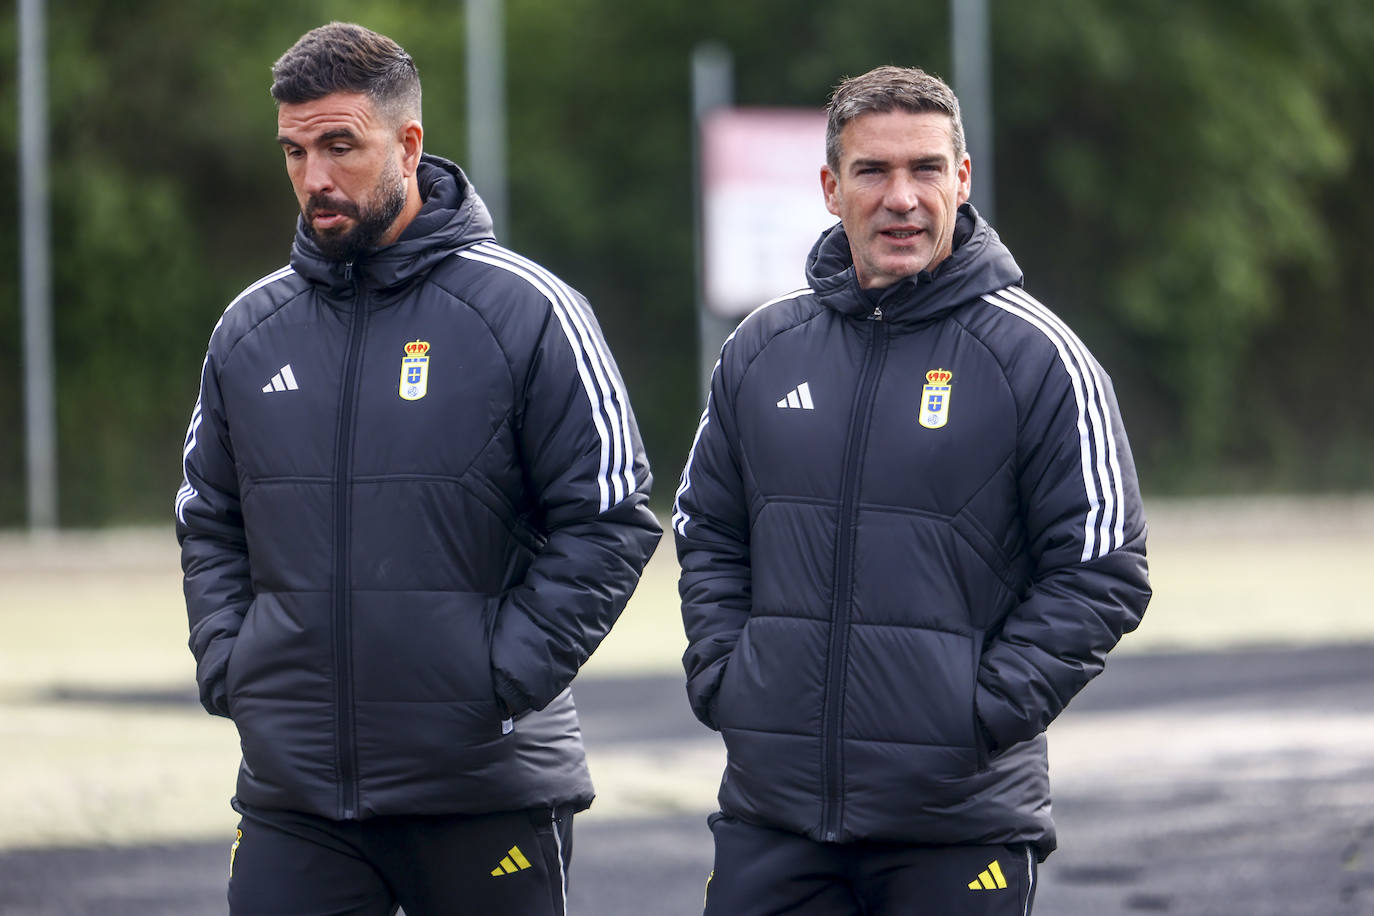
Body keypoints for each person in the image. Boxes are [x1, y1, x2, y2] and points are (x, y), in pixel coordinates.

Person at [175, 22, 660, 916]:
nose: (315, 177)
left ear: (408, 143)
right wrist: (233, 666)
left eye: (339, 146)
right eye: (294, 150)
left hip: (483, 788)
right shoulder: (250, 329)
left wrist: (496, 680)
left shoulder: (526, 309)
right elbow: (209, 516)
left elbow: (611, 516)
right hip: (297, 802)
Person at [672, 65, 1151, 915]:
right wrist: (727, 674)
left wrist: (978, 714)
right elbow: (708, 527)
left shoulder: (1039, 359)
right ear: (830, 187)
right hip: (772, 820)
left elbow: (1104, 566)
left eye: (926, 169)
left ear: (962, 180)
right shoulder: (761, 349)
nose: (902, 197)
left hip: (956, 825)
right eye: (873, 171)